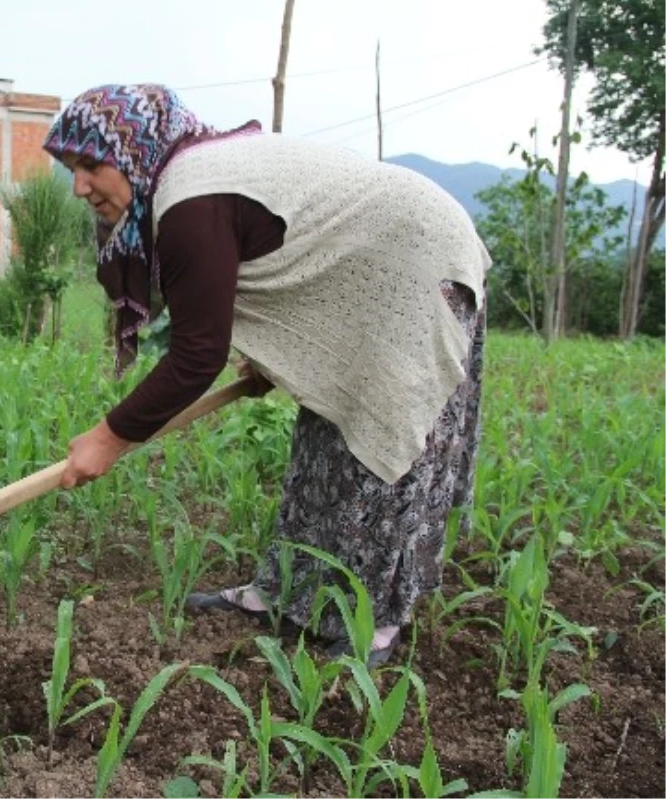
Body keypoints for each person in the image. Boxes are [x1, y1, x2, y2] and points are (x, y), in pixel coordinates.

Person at [43, 84, 489, 668]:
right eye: (70, 169)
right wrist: (275, 354)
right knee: (325, 437)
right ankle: (284, 595)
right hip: (377, 262)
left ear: (131, 152)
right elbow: (272, 258)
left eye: (90, 164)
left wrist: (109, 437)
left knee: (381, 445)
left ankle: (372, 621)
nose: (79, 186)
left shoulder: (187, 202)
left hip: (417, 263)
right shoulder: (184, 184)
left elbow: (197, 356)